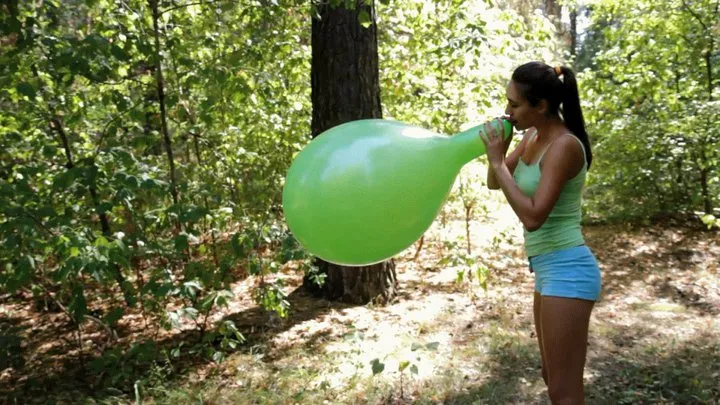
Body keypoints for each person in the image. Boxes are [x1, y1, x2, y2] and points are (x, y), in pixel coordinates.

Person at [479, 61, 601, 405]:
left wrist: (499, 163)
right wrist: (498, 155)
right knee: (552, 379)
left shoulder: (563, 146)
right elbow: (493, 183)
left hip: (569, 271)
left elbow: (533, 217)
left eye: (515, 104)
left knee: (564, 392)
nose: (508, 111)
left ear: (541, 106)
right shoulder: (532, 136)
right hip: (547, 271)